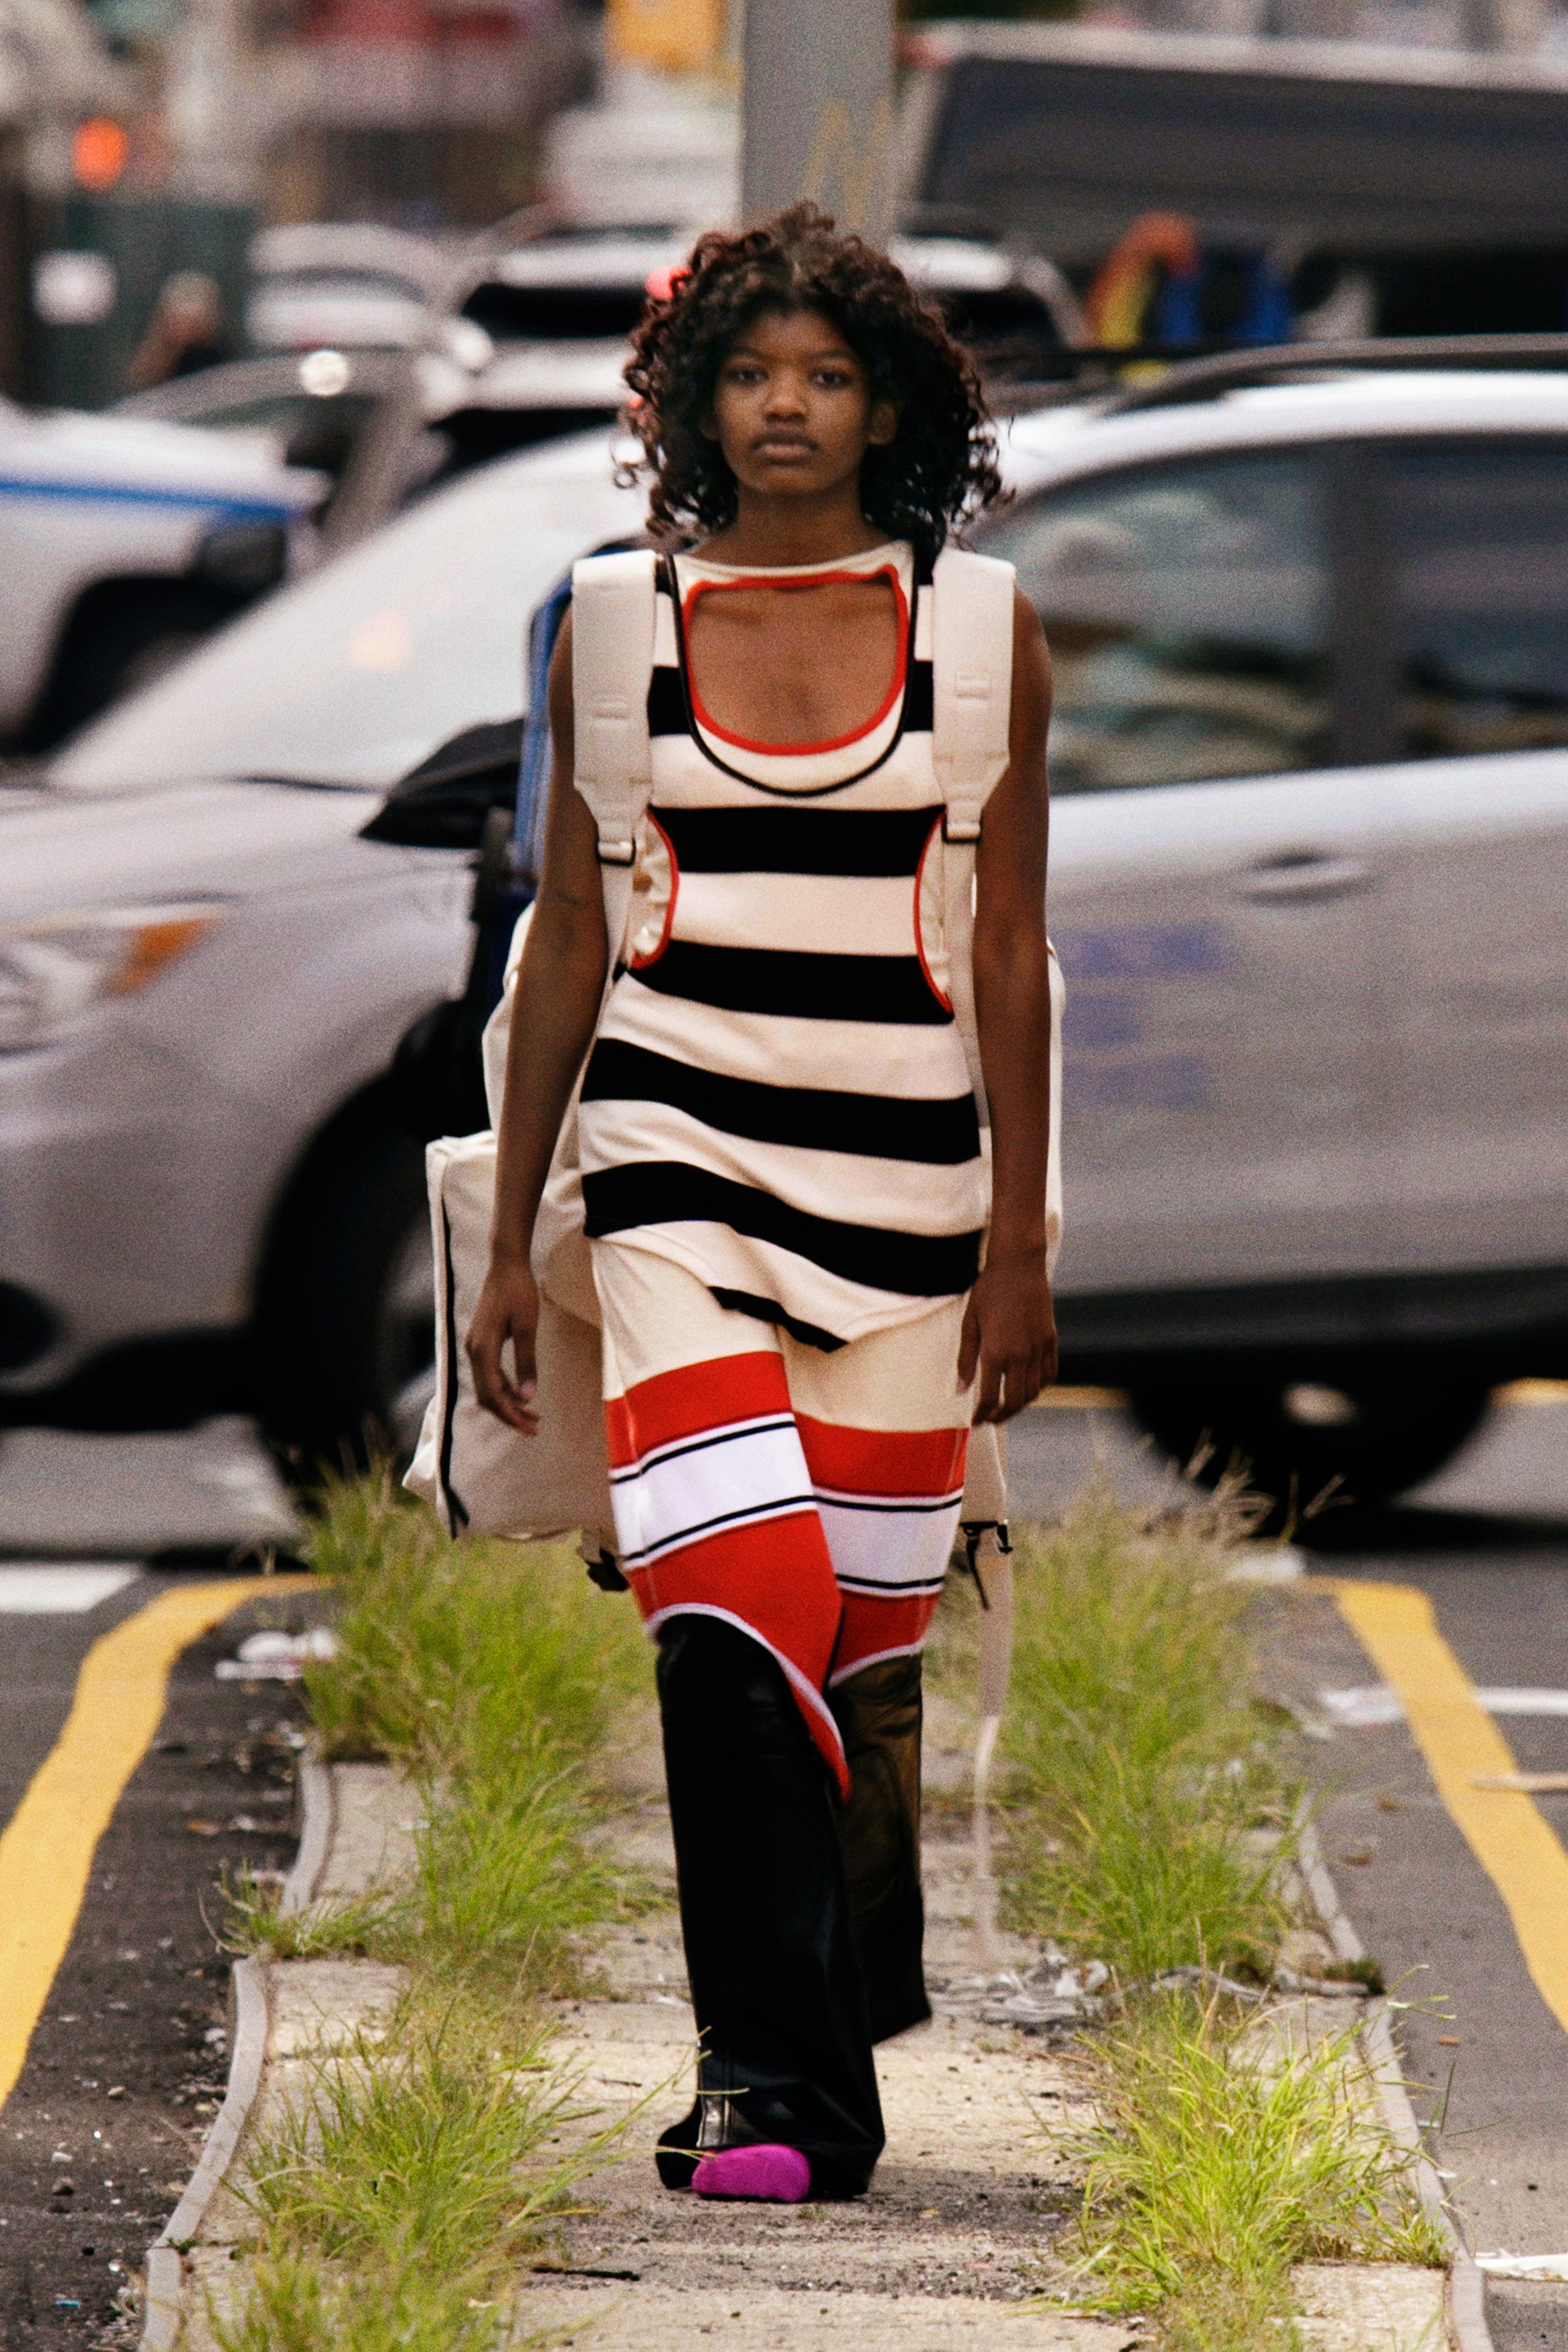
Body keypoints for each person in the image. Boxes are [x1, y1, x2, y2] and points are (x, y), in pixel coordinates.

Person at [467, 204, 1055, 2206]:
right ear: (690, 406)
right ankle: (764, 2079)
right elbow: (566, 933)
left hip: (907, 1185)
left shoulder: (977, 631)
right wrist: (509, 1240)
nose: (782, 405)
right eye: (745, 372)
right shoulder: (610, 622)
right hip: (671, 1158)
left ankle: (838, 2005)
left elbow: (1009, 947)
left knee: (863, 1643)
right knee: (732, 1603)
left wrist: (1019, 1246)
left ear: (887, 408)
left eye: (822, 374)